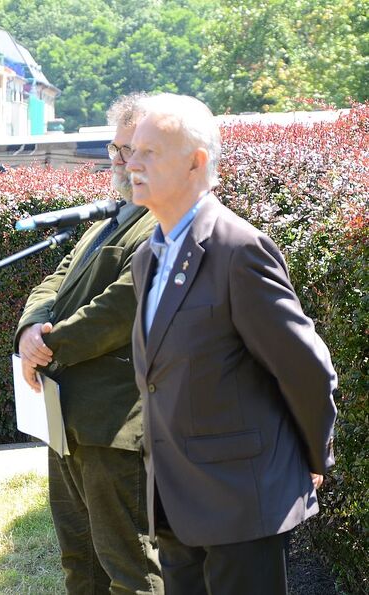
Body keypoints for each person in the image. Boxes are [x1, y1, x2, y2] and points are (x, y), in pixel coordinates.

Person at [126, 93, 337, 594]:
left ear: (196, 162)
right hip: (176, 505)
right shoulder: (146, 259)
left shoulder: (238, 250)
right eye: (130, 151)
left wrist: (311, 458)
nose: (130, 163)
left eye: (149, 152)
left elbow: (306, 368)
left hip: (242, 506)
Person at [16, 94, 163, 594]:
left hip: (114, 423)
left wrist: (47, 347)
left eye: (132, 149)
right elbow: (53, 281)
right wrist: (29, 329)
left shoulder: (164, 223)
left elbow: (120, 311)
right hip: (66, 421)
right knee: (80, 561)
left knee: (130, 567)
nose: (121, 162)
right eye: (115, 149)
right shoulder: (110, 216)